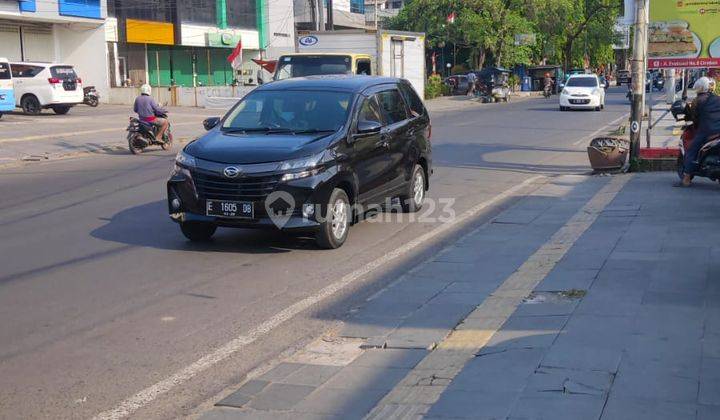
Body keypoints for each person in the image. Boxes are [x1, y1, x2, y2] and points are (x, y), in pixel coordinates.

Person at [678, 77, 720, 187]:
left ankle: (686, 178)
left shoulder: (698, 100)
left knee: (691, 150)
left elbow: (694, 117)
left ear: (701, 88)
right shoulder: (718, 99)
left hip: (707, 131)